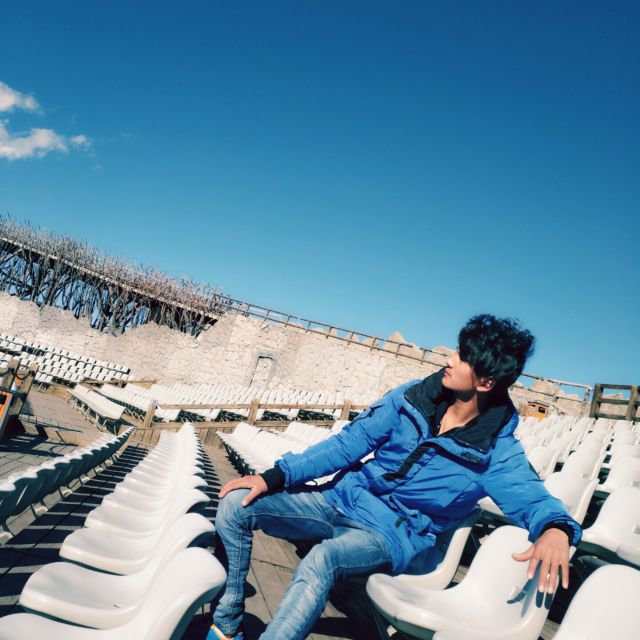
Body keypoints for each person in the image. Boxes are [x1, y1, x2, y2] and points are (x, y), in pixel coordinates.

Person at [206, 314, 581, 640]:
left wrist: (555, 530)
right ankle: (227, 625)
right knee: (237, 505)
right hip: (340, 499)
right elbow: (347, 445)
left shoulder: (495, 451)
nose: (450, 360)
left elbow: (533, 497)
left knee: (323, 559)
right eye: (457, 349)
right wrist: (274, 477)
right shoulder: (411, 398)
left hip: (391, 535)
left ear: (485, 382)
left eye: (463, 357)